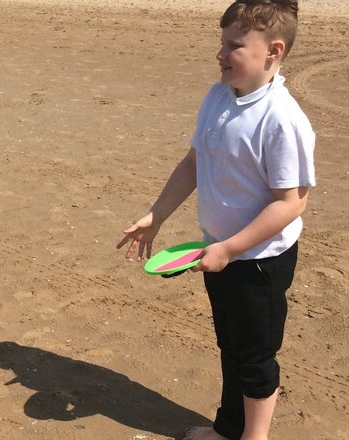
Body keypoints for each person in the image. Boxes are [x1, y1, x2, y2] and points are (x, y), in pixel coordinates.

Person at [116, 1, 316, 439]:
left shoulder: (281, 118)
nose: (221, 54)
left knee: (255, 356)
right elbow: (193, 162)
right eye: (221, 43)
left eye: (234, 46)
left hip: (259, 260)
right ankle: (227, 429)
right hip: (217, 251)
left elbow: (291, 203)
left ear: (273, 51)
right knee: (231, 346)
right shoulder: (218, 97)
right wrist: (157, 214)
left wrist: (230, 248)